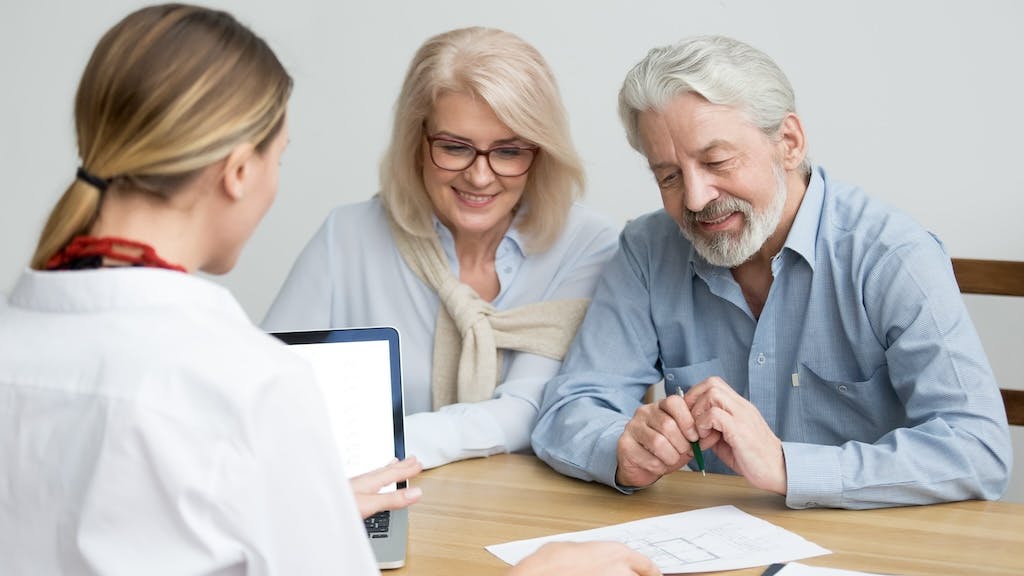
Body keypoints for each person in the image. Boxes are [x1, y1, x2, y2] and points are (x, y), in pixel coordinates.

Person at [0, 5, 659, 576]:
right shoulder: (251, 384)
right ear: (237, 171)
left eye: (509, 150)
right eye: (280, 157)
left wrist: (308, 505)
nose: (481, 175)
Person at [531, 35, 1012, 510]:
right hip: (706, 544)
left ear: (789, 143)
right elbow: (569, 411)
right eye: (669, 177)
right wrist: (622, 450)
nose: (696, 199)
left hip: (871, 545)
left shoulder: (891, 254)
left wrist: (787, 466)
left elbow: (978, 447)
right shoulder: (648, 250)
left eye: (717, 161)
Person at [263, 27, 619, 470]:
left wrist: (387, 446)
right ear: (416, 143)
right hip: (375, 498)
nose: (480, 177)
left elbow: (529, 408)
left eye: (508, 152)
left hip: (523, 514)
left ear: (541, 153)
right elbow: (268, 386)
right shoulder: (348, 235)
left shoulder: (585, 244)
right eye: (454, 147)